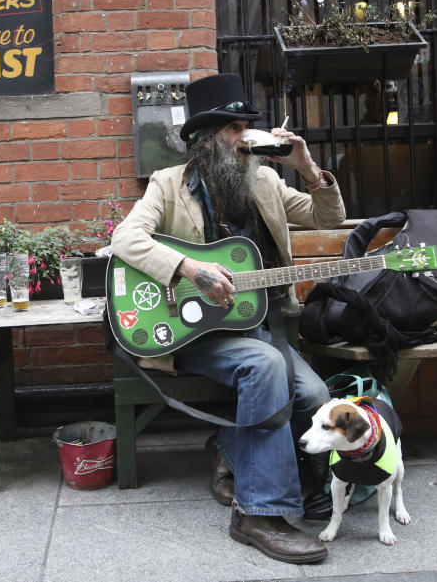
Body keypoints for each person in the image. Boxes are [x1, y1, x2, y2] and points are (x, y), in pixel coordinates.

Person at [109, 72, 346, 564]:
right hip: (197, 329)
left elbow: (326, 217)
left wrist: (307, 167)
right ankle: (259, 512)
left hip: (261, 322)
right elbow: (125, 240)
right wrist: (189, 269)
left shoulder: (265, 181)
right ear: (205, 138)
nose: (245, 139)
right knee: (264, 367)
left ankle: (235, 447)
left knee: (316, 395)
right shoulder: (168, 185)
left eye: (246, 128)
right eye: (234, 130)